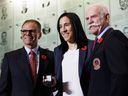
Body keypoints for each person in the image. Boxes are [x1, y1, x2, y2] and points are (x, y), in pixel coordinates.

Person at [0, 19, 54, 96]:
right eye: (24, 31)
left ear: (40, 34)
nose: (27, 34)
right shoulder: (10, 58)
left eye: (32, 31)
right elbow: (3, 90)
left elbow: (56, 82)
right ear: (21, 34)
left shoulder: (51, 56)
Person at [85, 3, 128, 96]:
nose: (89, 21)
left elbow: (121, 76)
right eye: (87, 19)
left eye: (94, 16)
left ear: (107, 17)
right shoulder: (99, 42)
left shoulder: (113, 37)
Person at [54, 12, 91, 96]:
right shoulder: (58, 51)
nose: (63, 29)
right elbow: (59, 80)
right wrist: (54, 82)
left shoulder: (91, 47)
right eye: (60, 26)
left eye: (66, 25)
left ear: (75, 26)